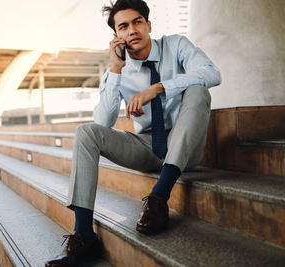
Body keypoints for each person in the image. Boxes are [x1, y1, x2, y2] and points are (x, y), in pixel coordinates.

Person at [45, 0, 221, 266]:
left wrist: (158, 88)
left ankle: (159, 197)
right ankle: (83, 235)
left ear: (148, 25)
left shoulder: (176, 45)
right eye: (123, 26)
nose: (132, 31)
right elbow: (102, 122)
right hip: (147, 147)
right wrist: (115, 69)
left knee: (198, 88)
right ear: (116, 37)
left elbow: (212, 73)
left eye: (137, 22)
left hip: (185, 147)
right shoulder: (117, 71)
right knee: (86, 132)